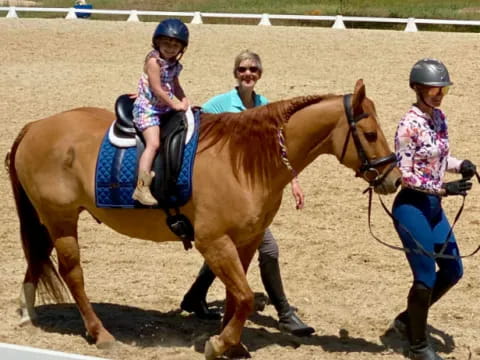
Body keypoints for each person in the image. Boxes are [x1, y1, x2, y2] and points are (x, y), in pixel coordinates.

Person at [180, 50, 315, 337]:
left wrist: (293, 180)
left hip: (251, 195)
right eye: (242, 69)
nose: (248, 74)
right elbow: (198, 141)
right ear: (235, 73)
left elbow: (280, 152)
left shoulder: (266, 106)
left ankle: (194, 296)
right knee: (267, 249)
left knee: (225, 247)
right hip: (226, 196)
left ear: (260, 74)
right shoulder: (219, 105)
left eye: (253, 69)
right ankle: (284, 312)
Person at [390, 58, 476, 360]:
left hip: (434, 208)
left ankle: (404, 320)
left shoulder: (439, 118)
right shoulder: (408, 125)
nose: (438, 94)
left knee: (453, 270)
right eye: (433, 89)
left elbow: (440, 159)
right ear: (417, 88)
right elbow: (405, 175)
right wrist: (443, 189)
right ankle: (417, 346)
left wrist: (460, 165)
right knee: (425, 276)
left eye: (443, 89)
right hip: (411, 208)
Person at [132, 18, 190, 206]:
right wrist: (174, 105)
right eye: (166, 43)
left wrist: (184, 99)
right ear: (157, 42)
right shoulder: (153, 61)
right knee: (154, 144)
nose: (170, 48)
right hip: (148, 109)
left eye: (175, 45)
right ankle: (141, 187)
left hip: (163, 107)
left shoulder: (173, 64)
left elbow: (175, 85)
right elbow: (157, 89)